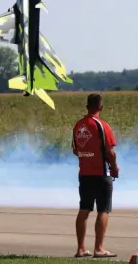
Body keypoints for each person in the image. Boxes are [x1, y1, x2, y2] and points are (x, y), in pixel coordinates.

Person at [72, 93, 119, 258]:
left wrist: (87, 158)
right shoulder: (102, 125)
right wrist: (114, 168)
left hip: (84, 174)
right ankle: (99, 249)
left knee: (84, 209)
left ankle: (80, 249)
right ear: (101, 107)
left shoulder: (78, 125)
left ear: (87, 106)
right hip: (100, 173)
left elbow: (75, 149)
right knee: (103, 210)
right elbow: (110, 152)